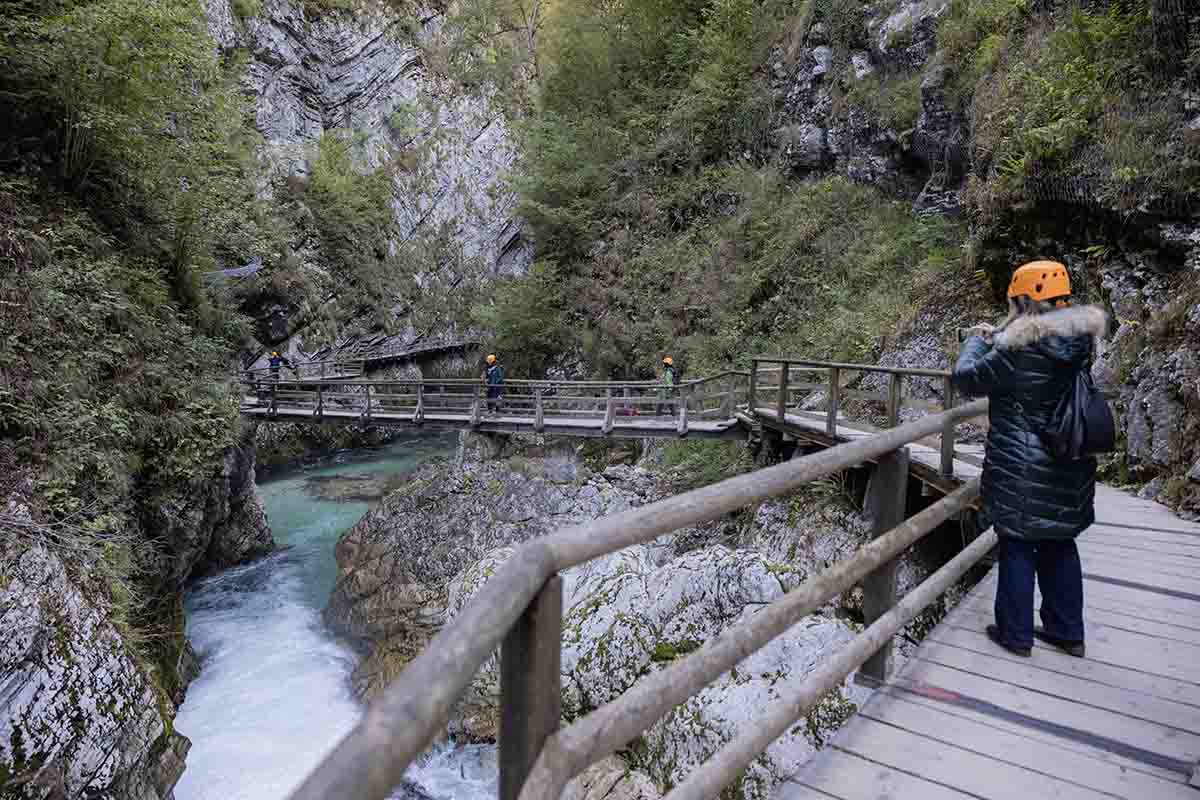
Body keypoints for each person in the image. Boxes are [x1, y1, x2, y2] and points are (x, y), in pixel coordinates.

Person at [952, 261, 1107, 659]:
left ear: (1023, 299)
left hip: (1020, 463)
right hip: (1067, 457)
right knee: (1059, 540)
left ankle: (1015, 634)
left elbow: (966, 378)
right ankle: (1067, 631)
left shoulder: (1017, 348)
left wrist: (977, 340)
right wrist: (1000, 338)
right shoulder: (1079, 339)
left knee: (1018, 542)